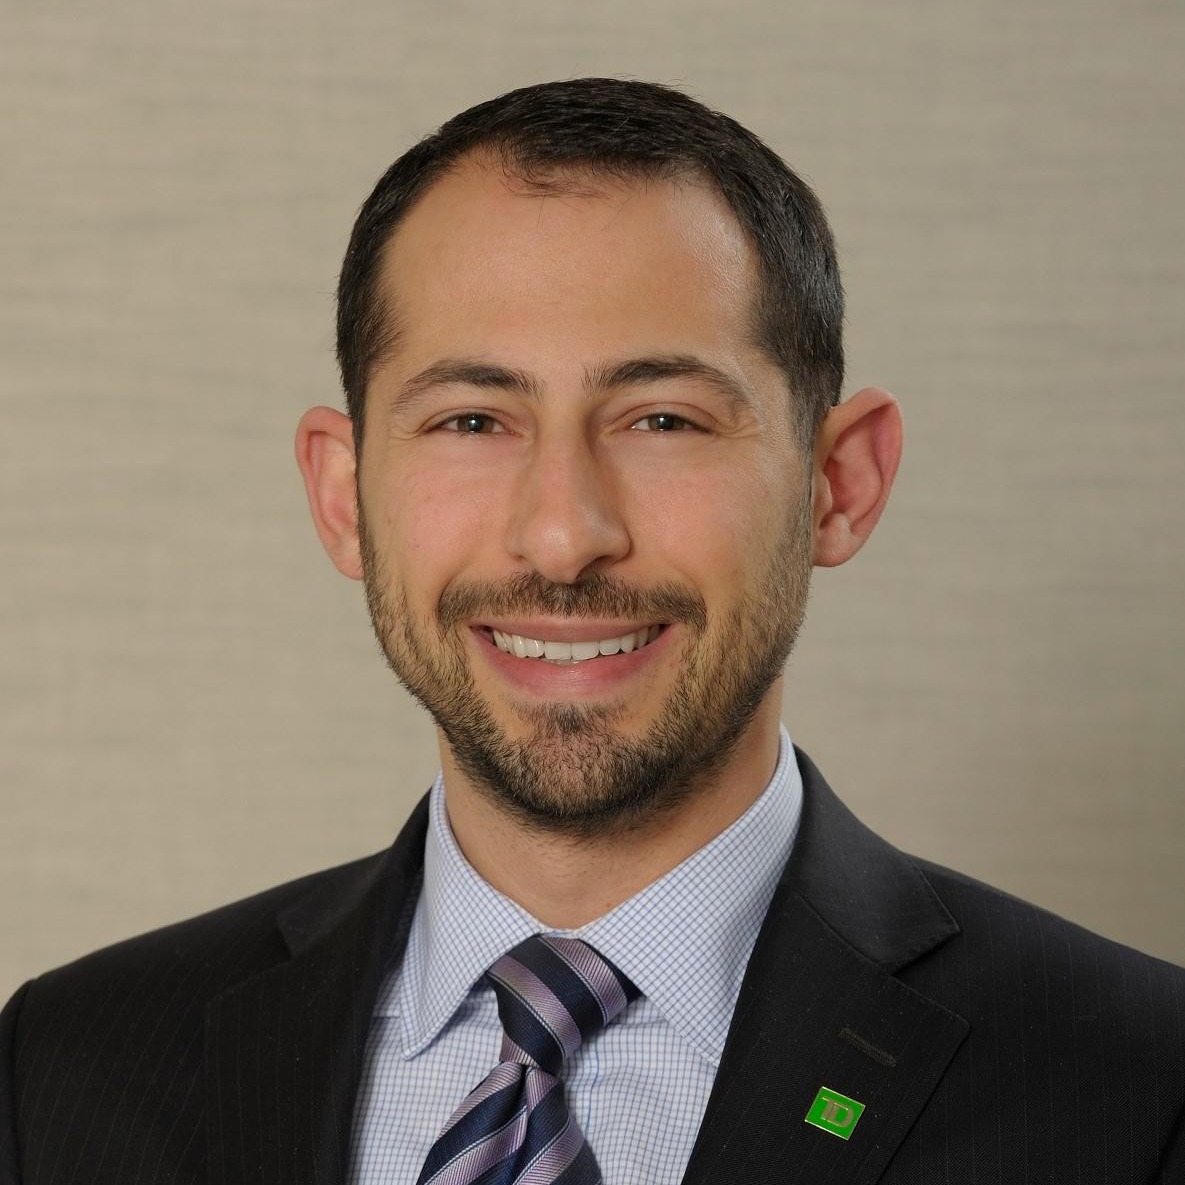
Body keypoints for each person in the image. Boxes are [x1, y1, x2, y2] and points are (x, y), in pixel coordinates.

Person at [1, 77, 1182, 1185]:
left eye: (663, 420)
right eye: (472, 421)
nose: (563, 537)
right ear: (343, 496)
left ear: (839, 483)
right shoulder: (66, 1070)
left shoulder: (1139, 1087)